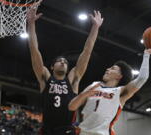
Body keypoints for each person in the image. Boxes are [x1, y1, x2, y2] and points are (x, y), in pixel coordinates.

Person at [27, 1, 104, 134]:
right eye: (59, 61)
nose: (63, 62)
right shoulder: (45, 77)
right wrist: (31, 24)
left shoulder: (73, 79)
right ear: (51, 67)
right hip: (47, 130)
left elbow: (87, 51)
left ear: (68, 69)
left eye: (65, 62)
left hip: (67, 130)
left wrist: (95, 28)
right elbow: (34, 50)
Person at [69, 47, 151, 135]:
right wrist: (84, 94)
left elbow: (142, 78)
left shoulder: (120, 92)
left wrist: (146, 54)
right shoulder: (94, 85)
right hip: (81, 132)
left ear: (119, 76)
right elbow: (73, 106)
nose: (107, 69)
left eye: (112, 68)